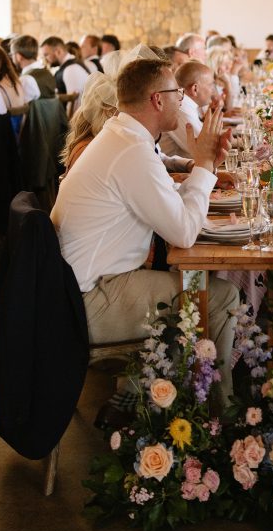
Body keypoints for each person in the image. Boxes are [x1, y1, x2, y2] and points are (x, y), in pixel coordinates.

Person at [51, 57, 238, 408]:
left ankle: (163, 393)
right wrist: (205, 165)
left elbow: (164, 201)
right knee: (222, 296)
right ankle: (221, 408)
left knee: (197, 285)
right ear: (157, 100)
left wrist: (201, 168)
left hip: (75, 287)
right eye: (177, 94)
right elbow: (183, 232)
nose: (181, 102)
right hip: (86, 302)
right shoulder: (131, 150)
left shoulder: (124, 137)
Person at [59, 71, 118, 172]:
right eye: (116, 109)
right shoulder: (89, 148)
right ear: (107, 112)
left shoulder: (90, 139)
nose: (119, 115)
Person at [159, 59, 215, 157]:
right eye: (211, 85)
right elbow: (203, 148)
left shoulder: (187, 104)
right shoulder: (181, 106)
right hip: (174, 171)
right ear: (195, 89)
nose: (213, 90)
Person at [41, 36, 89, 104]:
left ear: (58, 51)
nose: (45, 59)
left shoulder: (71, 69)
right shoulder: (69, 66)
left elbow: (75, 103)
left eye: (46, 55)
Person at [10, 34, 55, 99]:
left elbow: (22, 107)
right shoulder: (48, 73)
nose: (12, 58)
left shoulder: (25, 80)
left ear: (18, 56)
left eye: (12, 54)